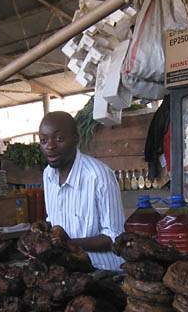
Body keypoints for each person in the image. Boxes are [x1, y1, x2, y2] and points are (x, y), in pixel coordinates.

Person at [38, 111, 125, 270]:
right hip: (68, 268)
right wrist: (40, 232)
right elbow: (54, 221)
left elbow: (115, 238)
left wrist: (69, 243)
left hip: (103, 270)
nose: (50, 146)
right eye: (43, 140)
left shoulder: (98, 176)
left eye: (59, 139)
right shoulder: (48, 175)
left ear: (76, 138)